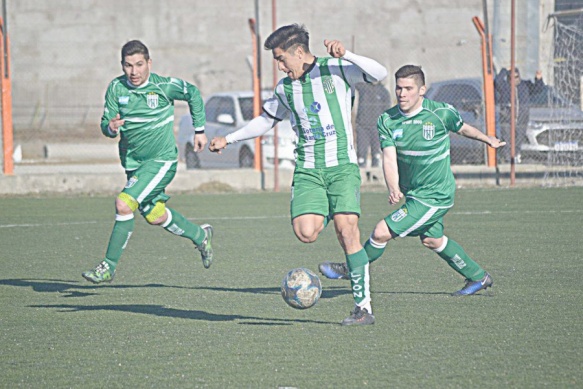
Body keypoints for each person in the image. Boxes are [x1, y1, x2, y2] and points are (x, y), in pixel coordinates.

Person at [209, 24, 388, 325]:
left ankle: (363, 307)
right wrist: (230, 139)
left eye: (281, 59)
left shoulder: (337, 69)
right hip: (308, 171)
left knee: (348, 232)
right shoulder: (284, 89)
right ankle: (336, 217)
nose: (279, 66)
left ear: (300, 52)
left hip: (342, 167)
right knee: (306, 232)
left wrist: (349, 54)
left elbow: (380, 74)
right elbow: (265, 121)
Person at [319, 65, 506, 325]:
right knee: (432, 240)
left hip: (435, 195)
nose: (402, 93)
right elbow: (389, 158)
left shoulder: (439, 113)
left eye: (408, 88)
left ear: (421, 90)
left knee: (381, 232)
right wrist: (393, 187)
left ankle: (351, 268)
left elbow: (463, 128)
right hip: (414, 194)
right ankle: (478, 276)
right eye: (399, 87)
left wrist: (488, 140)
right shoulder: (387, 119)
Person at [82, 40, 214, 284]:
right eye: (128, 65)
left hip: (161, 160)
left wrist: (199, 130)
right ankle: (200, 235)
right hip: (133, 164)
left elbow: (193, 94)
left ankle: (108, 266)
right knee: (155, 215)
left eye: (139, 64)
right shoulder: (115, 88)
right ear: (122, 65)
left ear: (149, 63)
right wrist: (110, 127)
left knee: (124, 204)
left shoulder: (163, 86)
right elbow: (106, 124)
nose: (134, 72)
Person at [494, 67, 545, 161]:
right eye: (512, 77)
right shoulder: (504, 86)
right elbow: (497, 81)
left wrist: (538, 79)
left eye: (516, 77)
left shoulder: (524, 85)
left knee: (519, 139)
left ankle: (516, 155)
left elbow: (538, 89)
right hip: (507, 119)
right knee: (507, 139)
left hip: (521, 119)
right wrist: (504, 70)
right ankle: (507, 158)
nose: (514, 79)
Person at [354, 81, 392, 167]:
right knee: (361, 153)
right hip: (362, 125)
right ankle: (362, 171)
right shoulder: (363, 88)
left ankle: (375, 174)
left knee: (376, 154)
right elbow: (354, 81)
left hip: (377, 127)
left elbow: (387, 111)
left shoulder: (383, 91)